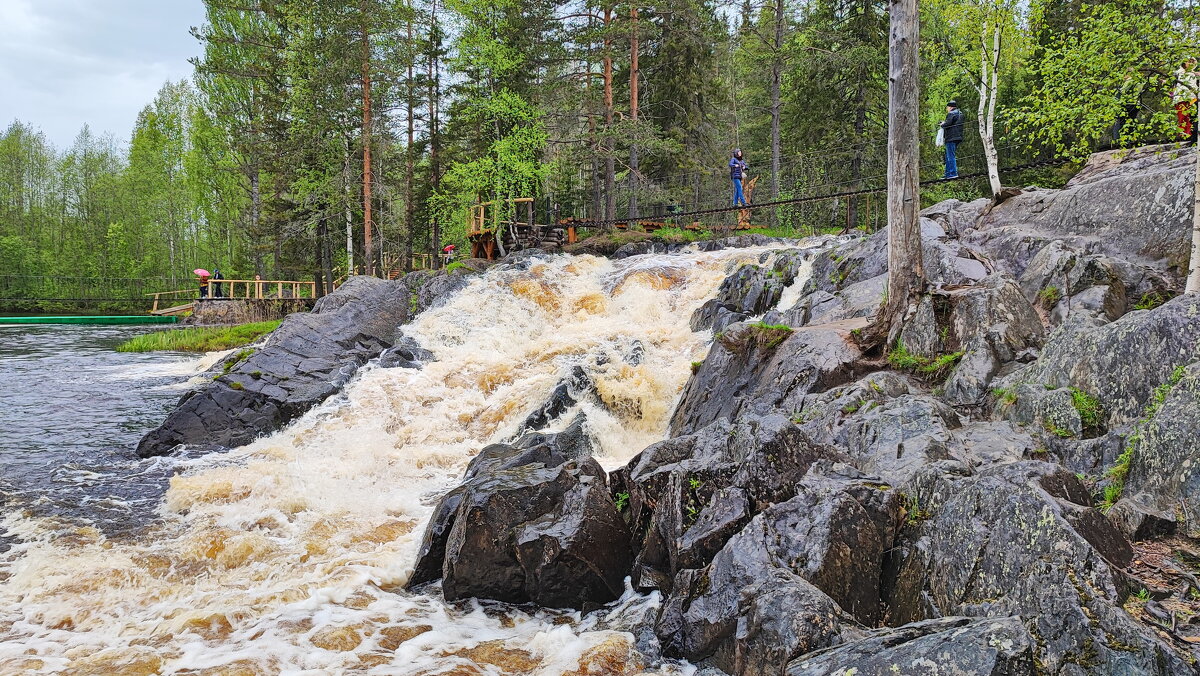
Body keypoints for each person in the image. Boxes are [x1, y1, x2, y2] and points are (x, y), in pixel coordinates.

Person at [1173, 59, 1199, 145]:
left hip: (1193, 98)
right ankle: (1185, 136)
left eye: (1192, 62)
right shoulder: (1179, 72)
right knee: (1183, 118)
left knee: (1192, 118)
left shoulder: (1193, 74)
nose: (1190, 64)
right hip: (1181, 99)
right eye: (1189, 62)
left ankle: (1192, 137)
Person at [939, 101, 964, 179]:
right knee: (948, 155)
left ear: (950, 107)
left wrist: (942, 124)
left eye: (947, 107)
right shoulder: (960, 113)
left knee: (950, 156)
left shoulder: (951, 113)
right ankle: (948, 174)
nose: (947, 109)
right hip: (958, 137)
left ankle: (952, 173)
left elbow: (947, 124)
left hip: (951, 137)